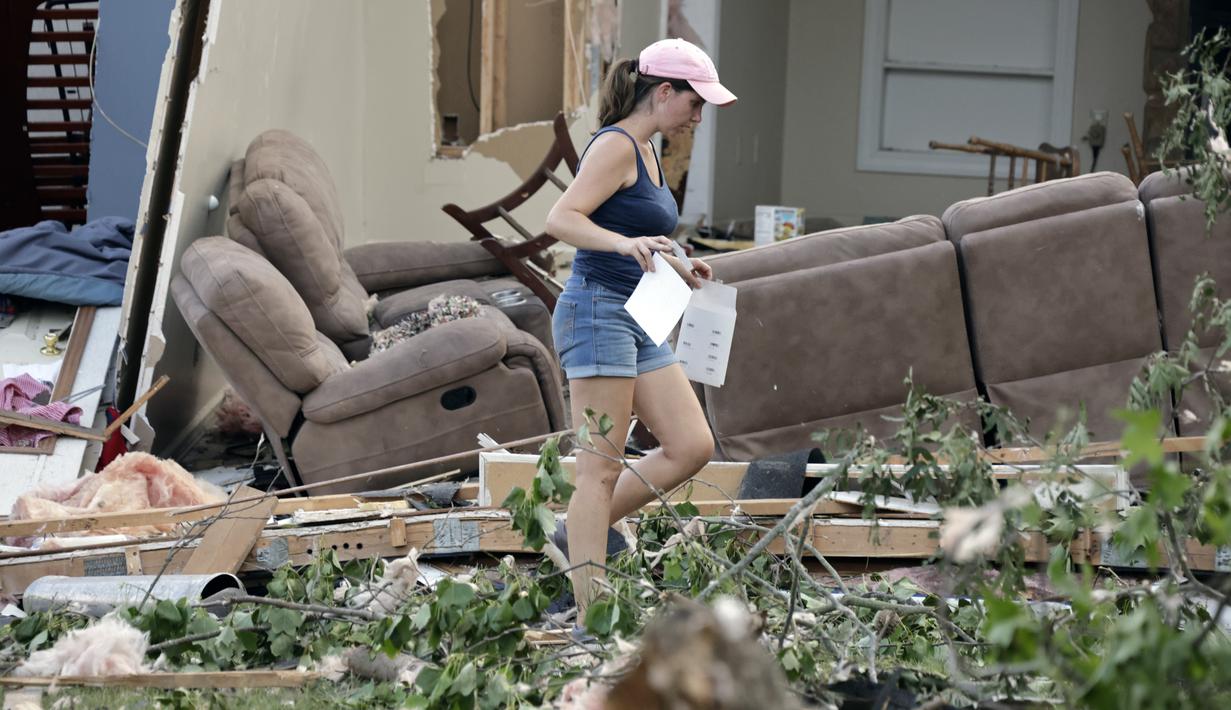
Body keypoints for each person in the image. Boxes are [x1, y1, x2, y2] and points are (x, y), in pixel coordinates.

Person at [543, 37, 737, 622]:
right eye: (695, 102)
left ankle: (575, 530)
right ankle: (590, 616)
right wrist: (624, 244)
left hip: (637, 315)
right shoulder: (617, 146)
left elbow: (635, 222)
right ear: (664, 91)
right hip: (596, 313)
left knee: (692, 445)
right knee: (597, 472)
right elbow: (562, 219)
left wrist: (679, 258)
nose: (699, 116)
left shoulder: (651, 150)